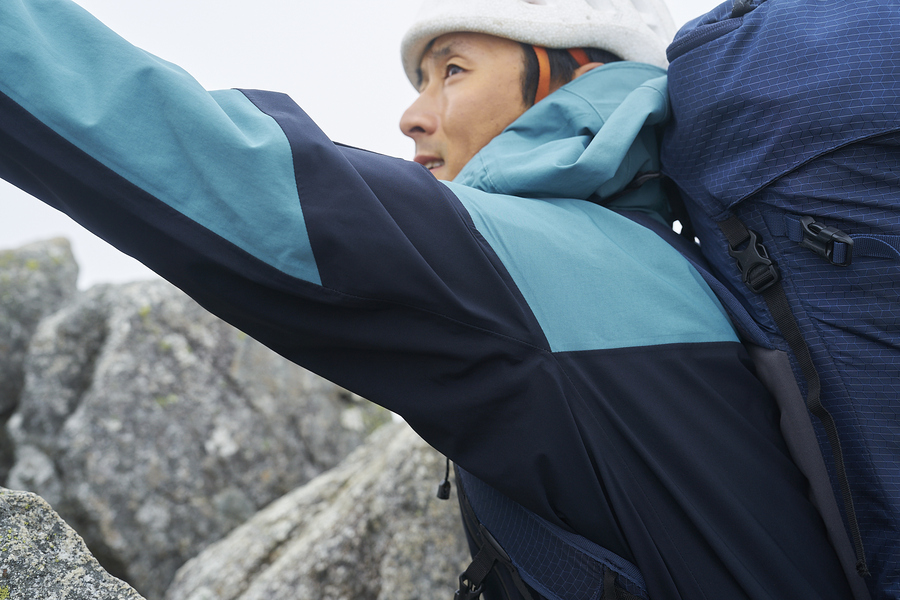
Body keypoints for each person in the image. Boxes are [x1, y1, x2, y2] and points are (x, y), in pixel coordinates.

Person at [0, 0, 859, 598]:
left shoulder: (535, 262)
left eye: (452, 69)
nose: (413, 115)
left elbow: (231, 168)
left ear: (579, 78)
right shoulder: (673, 268)